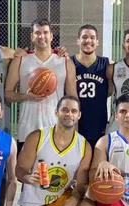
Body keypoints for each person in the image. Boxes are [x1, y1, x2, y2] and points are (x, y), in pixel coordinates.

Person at [5, 18, 78, 152]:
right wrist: (26, 96)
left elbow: (74, 100)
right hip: (27, 129)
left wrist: (74, 132)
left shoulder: (65, 62)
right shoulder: (20, 61)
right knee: (26, 172)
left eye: (45, 32)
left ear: (51, 36)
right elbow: (8, 95)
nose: (42, 36)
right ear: (32, 36)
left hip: (56, 128)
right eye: (37, 33)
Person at [71, 25, 112, 151]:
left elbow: (110, 90)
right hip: (74, 123)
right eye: (84, 37)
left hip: (98, 123)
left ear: (97, 42)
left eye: (92, 37)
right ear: (78, 41)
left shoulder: (108, 64)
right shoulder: (69, 63)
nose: (88, 41)